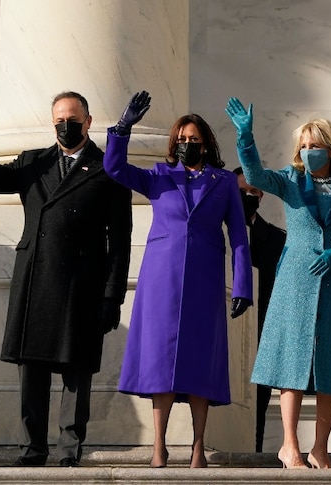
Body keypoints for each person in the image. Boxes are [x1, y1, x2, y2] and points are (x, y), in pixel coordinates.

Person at [0, 90, 132, 467]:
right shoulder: (34, 163)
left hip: (84, 284)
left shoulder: (108, 169)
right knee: (30, 369)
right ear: (53, 123)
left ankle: (69, 452)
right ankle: (32, 450)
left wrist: (112, 296)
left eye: (74, 119)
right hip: (36, 279)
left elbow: (121, 239)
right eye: (60, 120)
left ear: (88, 121)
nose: (67, 126)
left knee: (76, 372)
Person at [103, 92, 253, 468]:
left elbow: (238, 235)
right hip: (161, 281)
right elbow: (114, 168)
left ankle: (199, 447)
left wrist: (242, 287)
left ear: (206, 142)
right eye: (181, 140)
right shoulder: (158, 175)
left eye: (194, 139)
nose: (187, 144)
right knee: (161, 362)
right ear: (174, 144)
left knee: (201, 362)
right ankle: (159, 447)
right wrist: (122, 129)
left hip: (204, 279)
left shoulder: (222, 182)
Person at [225, 97, 331, 469]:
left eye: (314, 146)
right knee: (290, 361)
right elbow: (256, 175)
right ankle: (289, 445)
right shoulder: (291, 180)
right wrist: (245, 136)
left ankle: (320, 447)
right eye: (303, 146)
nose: (308, 152)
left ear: (330, 148)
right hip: (295, 280)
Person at [232, 166, 287, 453]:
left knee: (258, 402)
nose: (249, 197)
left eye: (254, 192)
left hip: (263, 332)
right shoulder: (216, 233)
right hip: (224, 330)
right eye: (242, 192)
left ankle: (252, 453)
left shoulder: (277, 240)